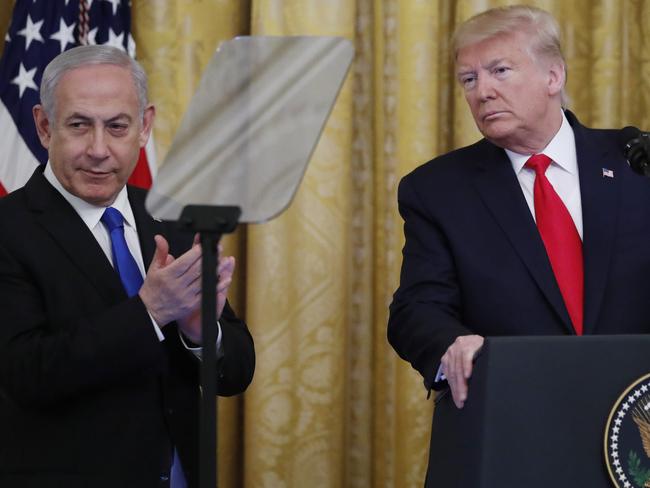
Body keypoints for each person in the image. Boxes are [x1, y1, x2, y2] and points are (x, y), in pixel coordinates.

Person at [0, 45, 255, 487]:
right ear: (44, 126)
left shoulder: (172, 220)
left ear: (144, 126)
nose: (99, 149)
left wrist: (200, 333)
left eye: (117, 127)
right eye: (79, 125)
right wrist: (149, 314)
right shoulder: (9, 228)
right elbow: (26, 374)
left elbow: (235, 374)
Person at [388, 4, 650, 412]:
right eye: (469, 79)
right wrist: (450, 345)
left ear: (553, 76)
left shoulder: (635, 163)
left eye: (500, 71)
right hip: (511, 416)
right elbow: (417, 309)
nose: (483, 92)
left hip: (633, 415)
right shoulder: (437, 190)